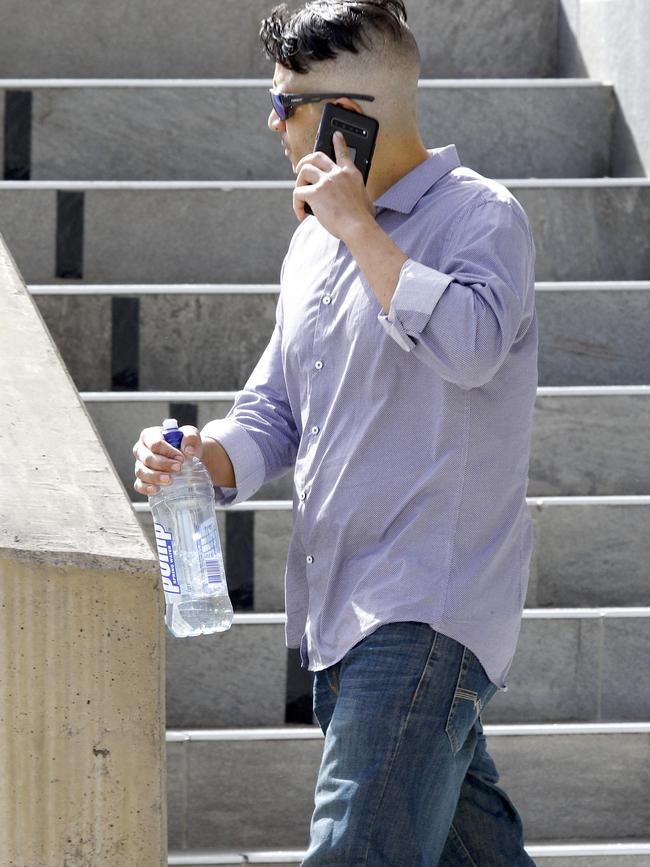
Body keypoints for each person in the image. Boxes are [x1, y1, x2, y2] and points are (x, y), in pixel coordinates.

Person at [133, 1, 539, 863]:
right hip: (341, 612)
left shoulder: (481, 217)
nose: (270, 120)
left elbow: (470, 346)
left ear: (346, 116)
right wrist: (199, 459)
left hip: (426, 607)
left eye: (285, 102)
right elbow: (275, 409)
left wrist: (359, 227)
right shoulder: (311, 247)